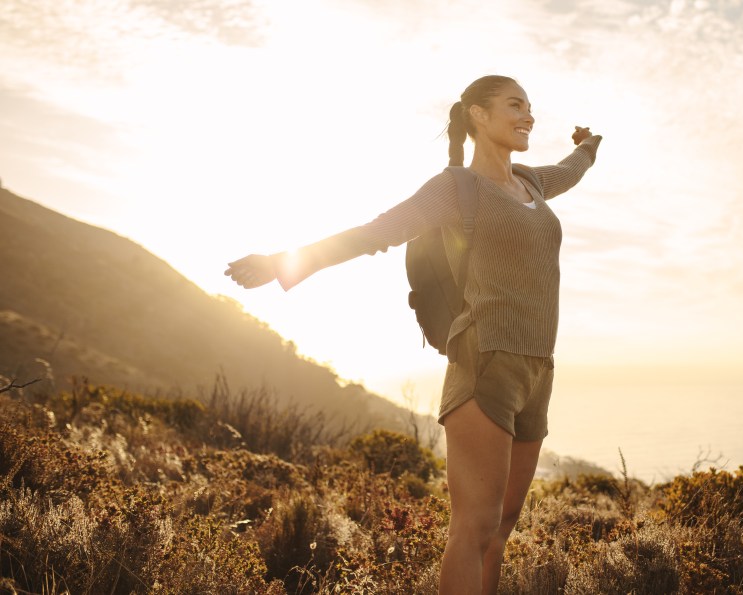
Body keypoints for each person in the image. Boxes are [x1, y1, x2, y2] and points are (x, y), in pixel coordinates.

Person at [225, 74, 602, 594]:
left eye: (531, 106)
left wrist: (589, 147)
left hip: (539, 366)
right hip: (484, 364)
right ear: (478, 115)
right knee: (474, 528)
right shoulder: (455, 189)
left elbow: (570, 171)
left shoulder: (532, 182)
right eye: (515, 105)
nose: (528, 115)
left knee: (503, 527)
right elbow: (376, 233)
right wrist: (283, 262)